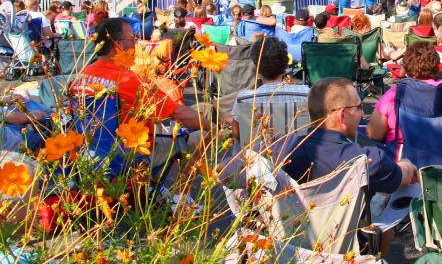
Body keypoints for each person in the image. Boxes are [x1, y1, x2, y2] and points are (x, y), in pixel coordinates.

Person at [72, 18, 210, 166]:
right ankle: (182, 184)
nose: (136, 43)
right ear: (117, 44)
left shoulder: (80, 77)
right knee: (204, 134)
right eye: (132, 39)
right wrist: (215, 126)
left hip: (90, 157)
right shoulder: (128, 80)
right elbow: (179, 114)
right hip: (132, 156)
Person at [281, 77, 418, 194]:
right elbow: (403, 175)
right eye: (359, 107)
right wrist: (406, 165)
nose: (363, 114)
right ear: (342, 115)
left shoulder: (283, 150)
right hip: (350, 225)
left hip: (298, 223)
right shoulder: (368, 161)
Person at [231, 37, 308, 141]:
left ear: (256, 65)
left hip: (256, 154)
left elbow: (237, 134)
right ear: (285, 63)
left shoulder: (244, 98)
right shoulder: (306, 94)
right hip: (296, 153)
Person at [367, 42, 442, 146]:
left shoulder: (395, 93)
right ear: (437, 63)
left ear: (406, 66)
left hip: (402, 154)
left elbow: (374, 134)